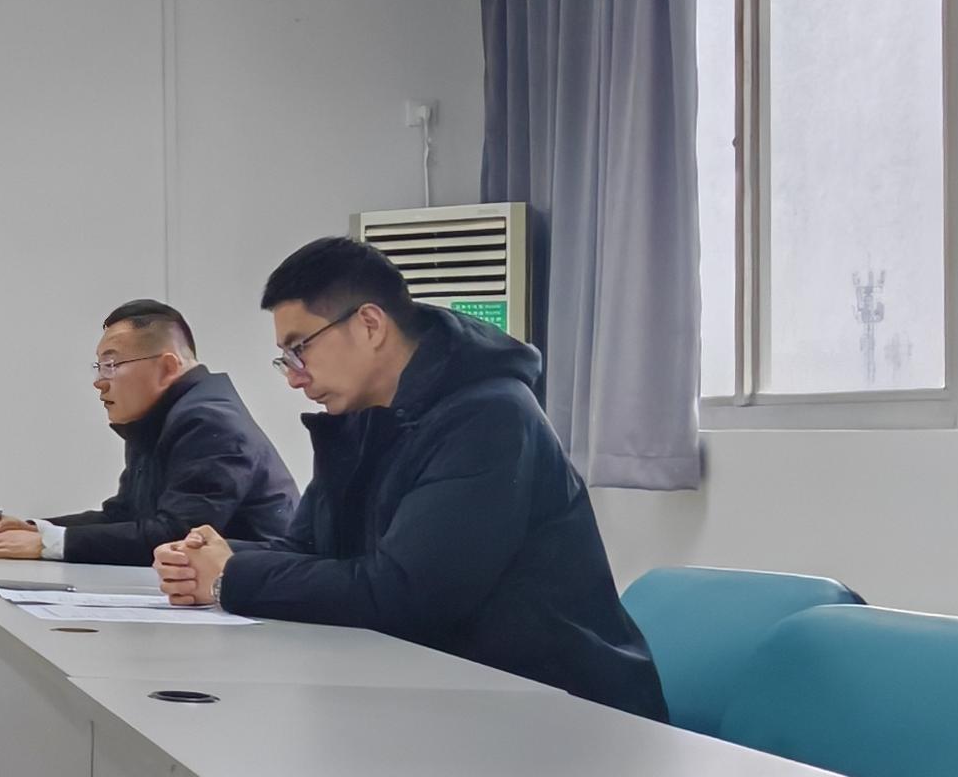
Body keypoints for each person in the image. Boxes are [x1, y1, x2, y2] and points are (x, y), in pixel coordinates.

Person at [155, 239, 668, 720]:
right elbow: (310, 549)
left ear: (369, 324)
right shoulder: (363, 418)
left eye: (300, 349)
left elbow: (404, 594)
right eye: (284, 359)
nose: (293, 376)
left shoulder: (491, 417)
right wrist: (212, 557)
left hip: (562, 712)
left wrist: (231, 576)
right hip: (454, 696)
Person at [0, 299, 298, 564]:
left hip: (256, 603)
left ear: (167, 367)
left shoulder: (209, 421)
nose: (99, 382)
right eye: (99, 367)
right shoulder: (158, 417)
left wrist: (49, 544)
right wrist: (39, 530)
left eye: (111, 365)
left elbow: (176, 535)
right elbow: (126, 515)